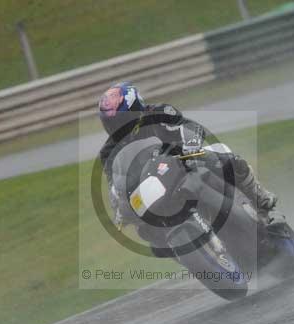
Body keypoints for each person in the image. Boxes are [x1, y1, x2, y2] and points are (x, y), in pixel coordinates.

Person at [98, 82, 277, 248]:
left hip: (185, 162)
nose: (116, 126)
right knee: (144, 228)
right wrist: (119, 207)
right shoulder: (108, 151)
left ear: (135, 108)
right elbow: (114, 183)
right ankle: (190, 255)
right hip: (152, 187)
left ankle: (261, 199)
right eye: (110, 122)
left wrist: (191, 144)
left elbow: (189, 126)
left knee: (225, 156)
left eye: (119, 120)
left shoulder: (159, 112)